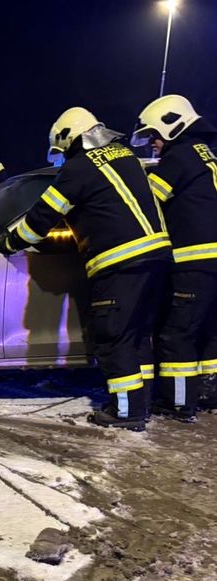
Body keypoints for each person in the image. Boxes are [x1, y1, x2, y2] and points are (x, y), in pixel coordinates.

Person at [0, 107, 172, 431]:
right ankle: (140, 403)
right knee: (137, 337)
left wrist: (8, 241)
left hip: (119, 263)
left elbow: (41, 218)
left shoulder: (78, 169)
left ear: (69, 139)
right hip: (157, 260)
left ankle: (126, 413)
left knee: (114, 339)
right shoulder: (125, 156)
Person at [132, 94, 217, 421]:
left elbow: (147, 202)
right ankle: (208, 391)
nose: (153, 143)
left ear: (173, 125)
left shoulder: (179, 156)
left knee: (175, 334)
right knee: (208, 331)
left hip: (192, 263)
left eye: (155, 135)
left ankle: (179, 403)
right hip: (211, 264)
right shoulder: (206, 155)